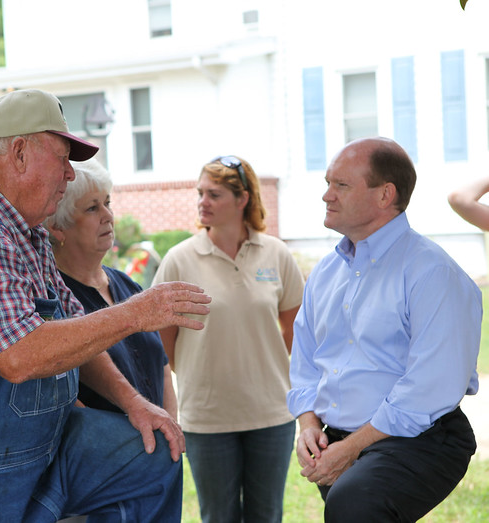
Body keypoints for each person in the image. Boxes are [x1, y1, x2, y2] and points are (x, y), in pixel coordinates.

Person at [0, 89, 211, 523]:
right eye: (63, 158)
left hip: (25, 445)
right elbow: (20, 355)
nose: (70, 175)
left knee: (154, 453)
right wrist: (138, 312)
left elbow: (73, 331)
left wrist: (133, 402)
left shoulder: (26, 234)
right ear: (20, 153)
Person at [287, 137, 480, 522]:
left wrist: (353, 447)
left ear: (384, 195)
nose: (327, 195)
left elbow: (429, 388)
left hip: (422, 437)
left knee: (353, 506)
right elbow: (306, 358)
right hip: (342, 438)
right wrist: (308, 422)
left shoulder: (432, 272)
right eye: (328, 183)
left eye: (341, 185)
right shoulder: (326, 272)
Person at [153, 155, 305, 523]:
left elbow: (293, 331)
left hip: (271, 413)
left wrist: (263, 367)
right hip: (207, 418)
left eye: (214, 194)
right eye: (201, 193)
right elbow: (163, 339)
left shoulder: (276, 253)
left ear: (243, 200)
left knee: (266, 515)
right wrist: (197, 370)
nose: (202, 201)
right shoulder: (179, 260)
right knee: (218, 517)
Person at [45, 158, 177, 419]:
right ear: (58, 226)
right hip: (103, 451)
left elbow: (161, 364)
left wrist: (171, 428)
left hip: (156, 447)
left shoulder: (127, 285)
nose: (108, 216)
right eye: (92, 208)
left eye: (107, 203)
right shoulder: (53, 298)